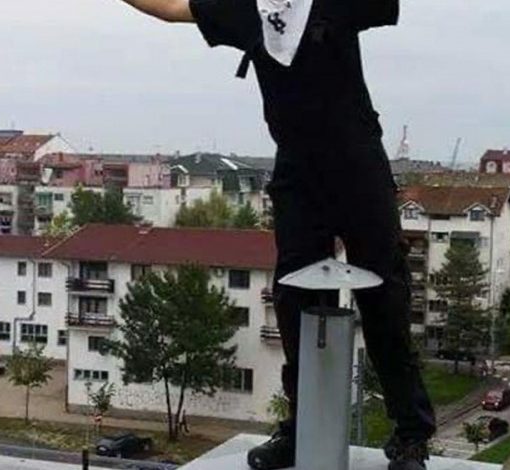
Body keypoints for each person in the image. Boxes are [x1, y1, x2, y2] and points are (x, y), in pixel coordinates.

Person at [115, 1, 436, 469]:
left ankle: (411, 434)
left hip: (357, 164)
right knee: (294, 301)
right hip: (296, 172)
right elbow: (171, 7)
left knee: (384, 297)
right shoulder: (247, 8)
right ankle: (304, 428)